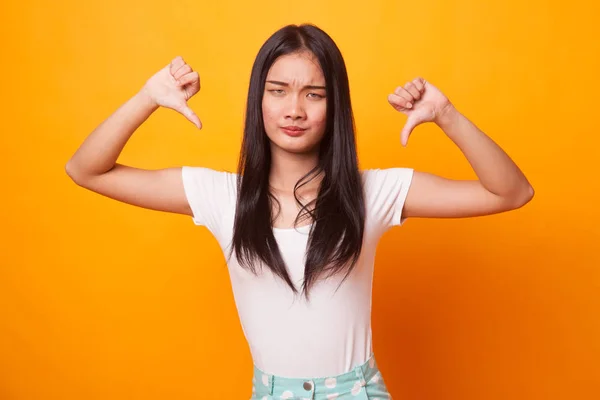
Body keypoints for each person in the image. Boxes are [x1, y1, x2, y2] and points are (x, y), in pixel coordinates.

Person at [66, 23, 534, 400]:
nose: (294, 109)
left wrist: (446, 113)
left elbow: (510, 192)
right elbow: (87, 169)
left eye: (314, 93)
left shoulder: (371, 193)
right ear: (259, 99)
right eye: (278, 91)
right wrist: (149, 96)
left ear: (335, 106)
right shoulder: (221, 196)